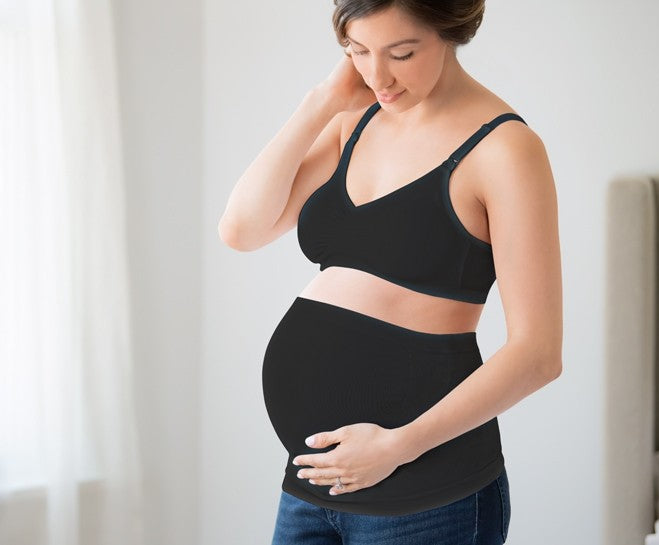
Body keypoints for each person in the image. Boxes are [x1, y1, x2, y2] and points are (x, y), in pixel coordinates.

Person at [219, 1, 562, 543]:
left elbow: (538, 355)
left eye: (401, 53)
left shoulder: (505, 150)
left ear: (448, 31)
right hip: (314, 482)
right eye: (357, 52)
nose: (376, 75)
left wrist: (397, 446)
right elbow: (242, 230)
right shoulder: (353, 123)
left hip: (429, 494)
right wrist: (320, 103)